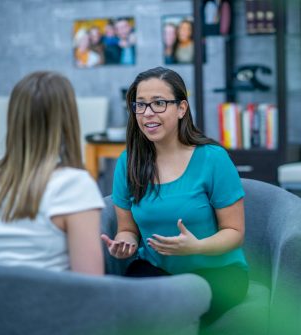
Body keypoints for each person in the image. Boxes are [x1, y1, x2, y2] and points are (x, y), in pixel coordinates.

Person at [101, 67, 249, 326]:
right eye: (141, 105)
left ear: (181, 109)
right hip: (156, 271)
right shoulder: (129, 162)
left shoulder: (213, 158)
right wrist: (125, 244)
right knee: (126, 310)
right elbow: (127, 229)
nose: (148, 113)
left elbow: (235, 232)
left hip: (218, 273)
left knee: (172, 312)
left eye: (159, 103)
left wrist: (197, 246)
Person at [0, 71, 105, 275]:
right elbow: (90, 286)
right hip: (52, 306)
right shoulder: (74, 186)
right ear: (68, 120)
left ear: (13, 119)